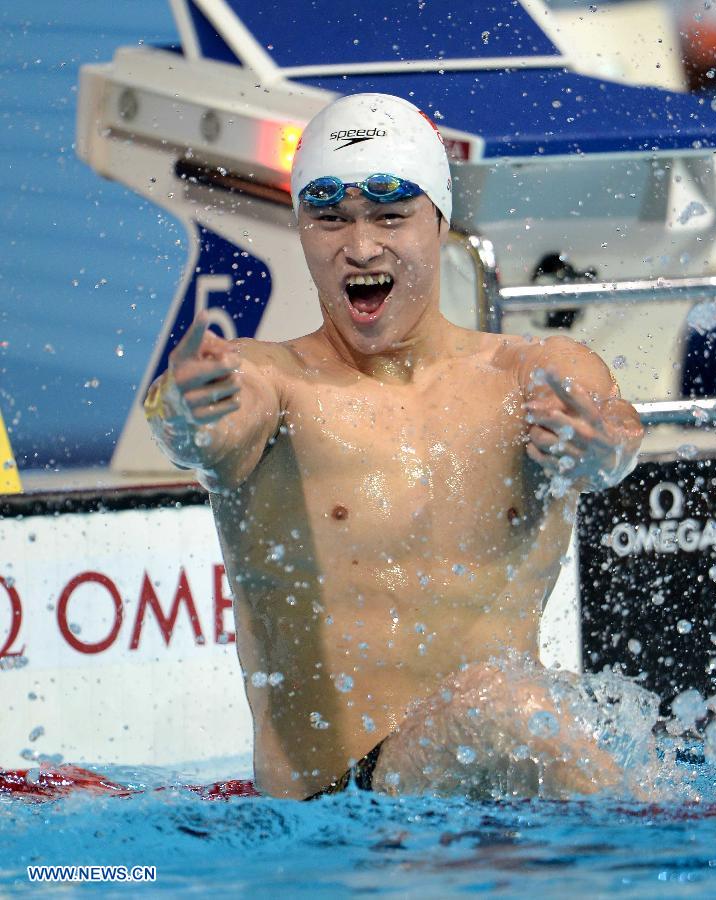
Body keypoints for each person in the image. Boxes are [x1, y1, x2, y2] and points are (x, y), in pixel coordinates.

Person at [143, 93, 645, 800]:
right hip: (339, 808)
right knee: (506, 707)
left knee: (527, 713)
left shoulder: (532, 377)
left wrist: (606, 453)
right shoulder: (274, 383)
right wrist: (184, 417)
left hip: (498, 795)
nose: (360, 245)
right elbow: (200, 432)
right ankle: (670, 852)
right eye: (329, 218)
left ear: (439, 223)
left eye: (389, 216)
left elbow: (615, 426)